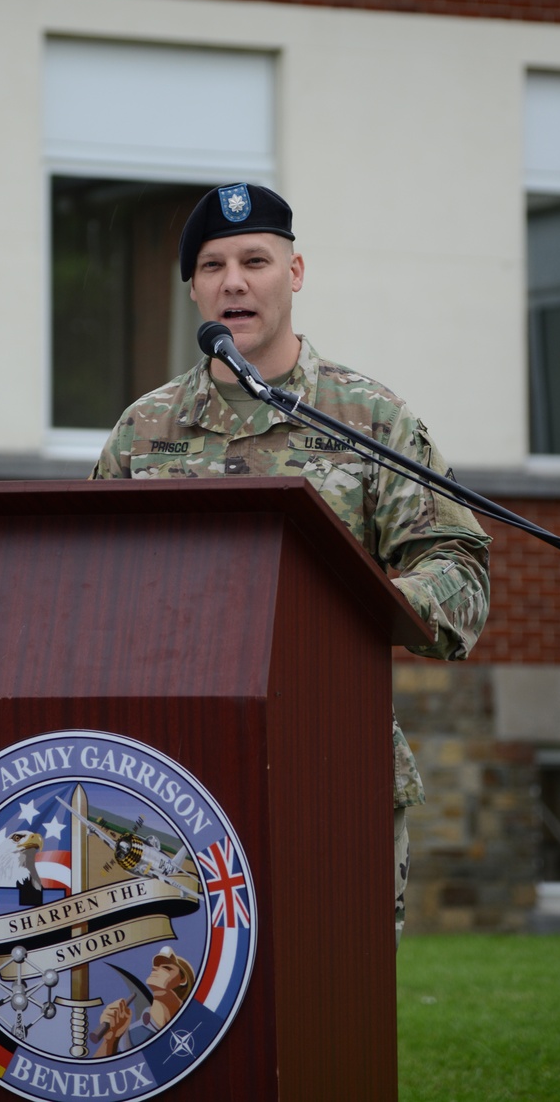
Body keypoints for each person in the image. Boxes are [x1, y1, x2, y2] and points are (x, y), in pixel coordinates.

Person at [91, 183, 490, 946]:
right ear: (195, 289)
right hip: (170, 783)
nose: (233, 281)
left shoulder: (371, 419)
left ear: (295, 273)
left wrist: (348, 603)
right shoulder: (143, 431)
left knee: (336, 1011)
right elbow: (81, 586)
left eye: (255, 260)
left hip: (332, 768)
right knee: (181, 1000)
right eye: (212, 266)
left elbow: (459, 567)